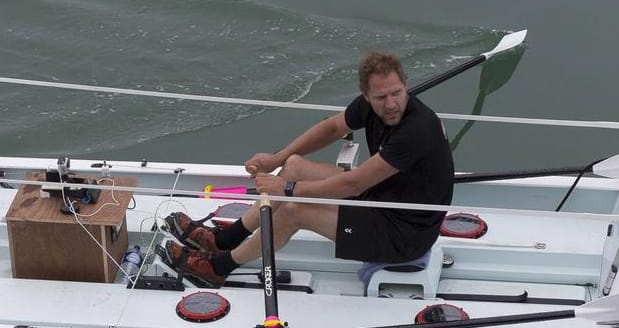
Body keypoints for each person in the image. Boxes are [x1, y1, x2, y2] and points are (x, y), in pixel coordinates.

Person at [157, 50, 454, 287]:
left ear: (405, 86)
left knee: (294, 209)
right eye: (381, 97)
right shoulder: (372, 107)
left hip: (403, 234)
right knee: (296, 165)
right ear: (366, 96)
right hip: (383, 198)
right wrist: (279, 158)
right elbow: (332, 128)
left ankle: (218, 268)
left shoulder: (417, 130)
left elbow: (353, 186)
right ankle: (225, 239)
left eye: (397, 93)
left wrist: (285, 189)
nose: (391, 104)